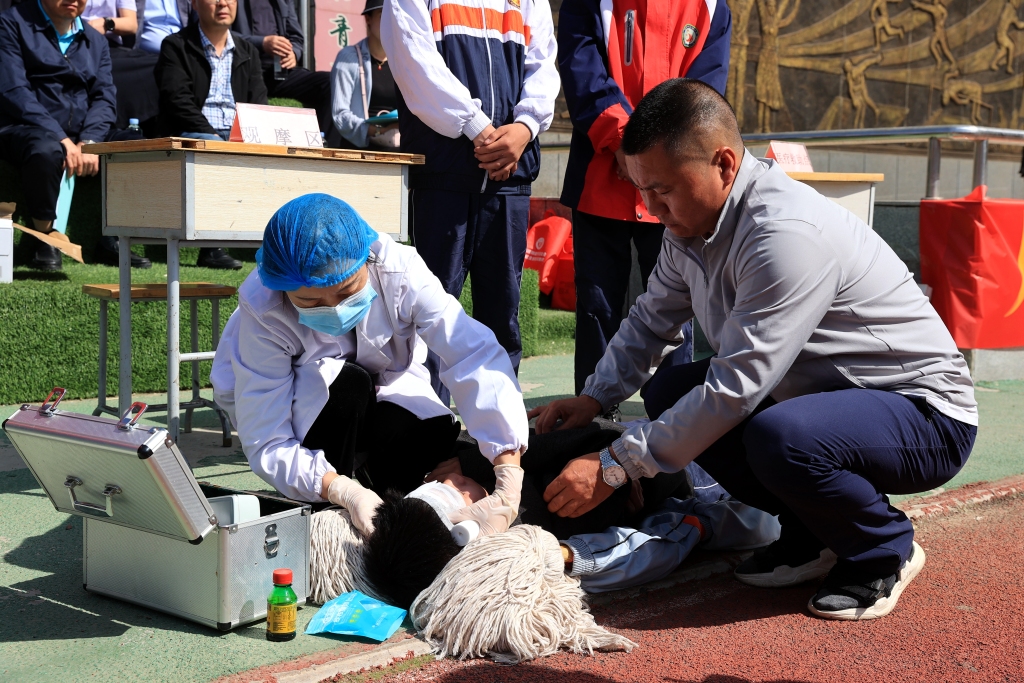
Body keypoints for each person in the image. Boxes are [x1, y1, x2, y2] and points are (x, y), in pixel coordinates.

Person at [529, 79, 978, 621]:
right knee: (672, 390)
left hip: (924, 414)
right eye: (641, 189)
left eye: (663, 190)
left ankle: (884, 547)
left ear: (723, 163)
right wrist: (595, 397)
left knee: (779, 437)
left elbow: (735, 389)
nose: (650, 207)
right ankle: (813, 535)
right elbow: (652, 320)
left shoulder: (783, 235)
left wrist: (613, 467)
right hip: (821, 398)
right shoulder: (690, 224)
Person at [210, 193, 529, 539]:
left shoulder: (400, 270)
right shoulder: (263, 307)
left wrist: (508, 477)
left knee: (430, 431)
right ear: (282, 288)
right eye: (310, 301)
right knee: (347, 386)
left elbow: (471, 353)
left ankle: (385, 484)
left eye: (348, 291)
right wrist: (341, 490)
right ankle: (329, 500)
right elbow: (269, 441)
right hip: (318, 408)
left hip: (384, 384)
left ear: (368, 261)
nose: (333, 309)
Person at [355, 421, 779, 608]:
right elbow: (599, 445)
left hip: (643, 450)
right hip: (682, 478)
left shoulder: (473, 472)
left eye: (438, 483)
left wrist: (474, 462)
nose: (451, 481)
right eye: (453, 495)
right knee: (771, 509)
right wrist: (617, 470)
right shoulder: (533, 537)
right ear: (467, 533)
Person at [380, 0, 560, 407]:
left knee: (503, 313)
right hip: (445, 175)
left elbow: (544, 65)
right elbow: (416, 64)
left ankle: (500, 438)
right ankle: (429, 431)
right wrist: (480, 129)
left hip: (509, 177)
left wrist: (524, 127)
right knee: (431, 311)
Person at [557, 0, 732, 410]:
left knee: (678, 309)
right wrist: (622, 140)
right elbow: (581, 68)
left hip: (675, 182)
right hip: (602, 177)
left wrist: (649, 154)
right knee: (597, 308)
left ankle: (672, 421)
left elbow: (703, 93)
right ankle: (594, 421)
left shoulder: (711, 7)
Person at [0, 0, 150, 270]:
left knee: (138, 146)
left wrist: (89, 142)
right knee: (46, 149)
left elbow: (104, 98)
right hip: (25, 127)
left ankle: (113, 238)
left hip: (82, 134)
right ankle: (44, 237)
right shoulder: (11, 23)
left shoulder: (95, 40)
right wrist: (61, 138)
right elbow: (14, 90)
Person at [155, 0, 266, 270]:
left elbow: (258, 102)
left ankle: (276, 246)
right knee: (214, 147)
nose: (223, 3)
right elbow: (177, 101)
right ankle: (212, 247)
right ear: (194, 4)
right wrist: (215, 137)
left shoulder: (247, 50)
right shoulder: (176, 45)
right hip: (195, 132)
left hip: (238, 134)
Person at [232, 0, 333, 140]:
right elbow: (222, 33)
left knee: (329, 82)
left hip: (279, 71)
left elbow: (296, 38)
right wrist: (262, 43)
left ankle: (325, 144)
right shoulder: (230, 3)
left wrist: (294, 53)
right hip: (243, 69)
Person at [330, 0, 398, 150]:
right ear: (368, 19)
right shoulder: (349, 57)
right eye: (383, 16)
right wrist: (378, 130)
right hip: (360, 153)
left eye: (393, 16)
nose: (389, 22)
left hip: (399, 150)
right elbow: (340, 114)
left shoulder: (403, 60)